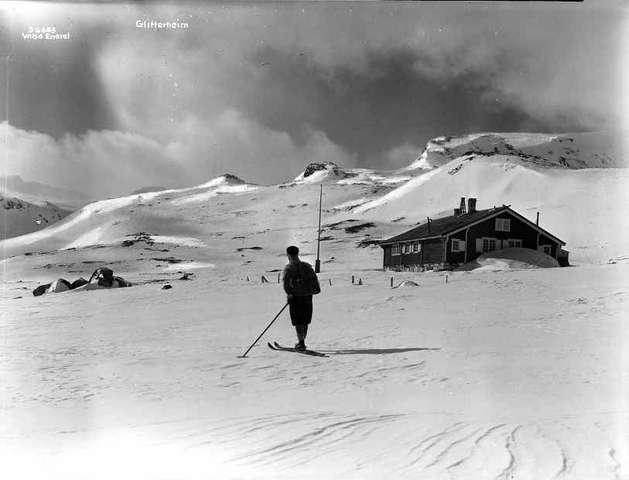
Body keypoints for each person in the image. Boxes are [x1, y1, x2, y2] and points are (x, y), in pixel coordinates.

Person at [283, 245, 320, 351]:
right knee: (305, 319)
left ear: (288, 255)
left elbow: (286, 285)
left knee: (298, 320)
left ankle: (301, 342)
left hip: (295, 298)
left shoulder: (289, 268)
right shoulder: (306, 266)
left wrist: (289, 294)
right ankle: (302, 341)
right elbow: (314, 280)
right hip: (308, 296)